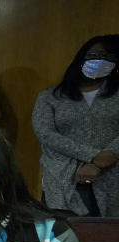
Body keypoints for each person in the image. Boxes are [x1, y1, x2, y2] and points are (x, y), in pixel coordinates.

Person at [32, 34, 119, 216]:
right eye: (94, 54)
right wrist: (93, 156)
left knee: (107, 239)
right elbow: (45, 133)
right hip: (62, 176)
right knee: (63, 237)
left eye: (109, 57)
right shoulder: (50, 96)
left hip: (112, 176)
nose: (100, 61)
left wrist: (102, 162)